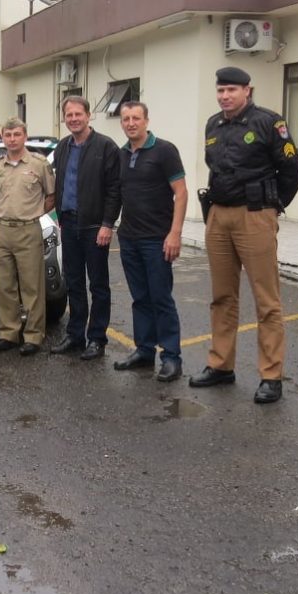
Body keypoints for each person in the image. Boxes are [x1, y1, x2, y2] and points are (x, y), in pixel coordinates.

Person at [189, 66, 298, 403]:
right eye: (221, 90)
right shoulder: (214, 124)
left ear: (247, 91)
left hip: (255, 216)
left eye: (232, 90)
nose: (225, 96)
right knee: (222, 296)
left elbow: (292, 169)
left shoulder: (269, 122)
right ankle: (221, 365)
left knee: (266, 301)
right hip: (219, 216)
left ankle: (271, 375)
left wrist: (273, 206)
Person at [114, 102, 188, 383]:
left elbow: (180, 194)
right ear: (121, 123)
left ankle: (171, 357)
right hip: (129, 239)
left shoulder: (165, 151)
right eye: (126, 119)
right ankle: (144, 351)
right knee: (140, 299)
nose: (131, 123)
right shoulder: (122, 154)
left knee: (161, 298)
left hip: (157, 239)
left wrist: (175, 233)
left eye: (136, 118)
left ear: (146, 120)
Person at [50, 95, 121, 360]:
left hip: (94, 226)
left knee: (99, 285)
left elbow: (115, 190)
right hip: (68, 223)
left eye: (78, 114)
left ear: (89, 116)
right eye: (69, 115)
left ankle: (97, 339)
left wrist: (107, 224)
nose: (74, 119)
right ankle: (75, 335)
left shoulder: (106, 146)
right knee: (74, 282)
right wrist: (58, 213)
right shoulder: (63, 147)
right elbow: (61, 183)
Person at [0, 117, 56, 356]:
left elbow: (50, 196)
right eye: (8, 135)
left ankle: (33, 336)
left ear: (25, 136)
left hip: (28, 230)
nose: (12, 139)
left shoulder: (39, 164)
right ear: (2, 137)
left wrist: (30, 214)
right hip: (2, 230)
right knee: (3, 286)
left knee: (31, 287)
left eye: (17, 134)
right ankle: (8, 333)